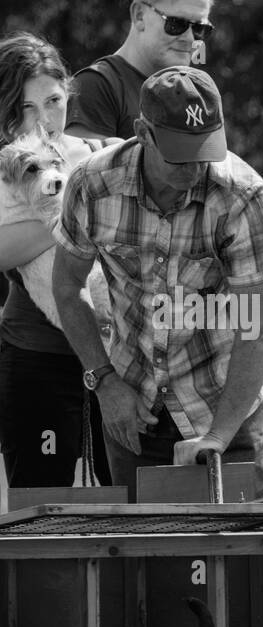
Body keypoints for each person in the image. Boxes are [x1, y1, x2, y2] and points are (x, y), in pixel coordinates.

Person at [51, 65, 263, 500]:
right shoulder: (93, 184)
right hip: (131, 408)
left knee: (239, 561)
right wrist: (104, 382)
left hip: (226, 405)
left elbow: (258, 328)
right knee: (141, 560)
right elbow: (67, 287)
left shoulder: (243, 196)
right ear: (143, 132)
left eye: (206, 149)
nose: (196, 166)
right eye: (181, 153)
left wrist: (218, 436)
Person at [0, 32, 112, 489]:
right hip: (37, 357)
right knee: (40, 522)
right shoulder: (9, 164)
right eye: (27, 107)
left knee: (136, 509)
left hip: (116, 356)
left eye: (53, 100)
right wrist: (73, 207)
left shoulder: (99, 152)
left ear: (69, 92)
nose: (45, 120)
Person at [65, 0, 214, 142]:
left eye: (199, 28)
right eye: (176, 23)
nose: (189, 38)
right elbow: (84, 167)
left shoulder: (194, 92)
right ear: (139, 15)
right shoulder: (96, 86)